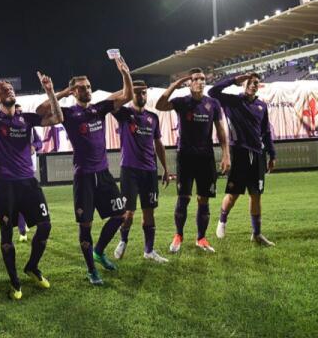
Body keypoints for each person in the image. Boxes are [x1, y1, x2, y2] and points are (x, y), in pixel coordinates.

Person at [0, 73, 62, 300]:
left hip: (29, 183)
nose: (9, 91)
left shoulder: (26, 118)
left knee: (45, 226)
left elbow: (57, 118)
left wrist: (50, 91)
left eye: (11, 89)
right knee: (6, 237)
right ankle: (15, 282)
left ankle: (32, 267)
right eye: (3, 90)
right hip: (6, 186)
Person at [36, 54, 133, 285]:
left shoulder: (100, 108)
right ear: (74, 92)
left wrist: (125, 74)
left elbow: (127, 95)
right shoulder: (68, 114)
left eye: (88, 86)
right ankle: (92, 270)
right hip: (84, 178)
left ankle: (99, 251)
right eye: (81, 88)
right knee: (86, 225)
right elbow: (41, 111)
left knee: (120, 215)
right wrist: (58, 92)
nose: (87, 90)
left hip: (104, 174)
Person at [155, 69, 230, 253]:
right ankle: (178, 236)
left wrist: (226, 154)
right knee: (184, 198)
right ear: (189, 83)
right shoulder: (182, 102)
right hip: (185, 157)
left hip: (206, 158)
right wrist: (174, 85)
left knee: (204, 199)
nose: (200, 82)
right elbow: (160, 105)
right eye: (196, 79)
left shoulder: (213, 103)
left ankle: (201, 238)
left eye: (202, 79)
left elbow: (221, 130)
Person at [208, 72, 276, 246]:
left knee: (256, 195)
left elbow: (266, 132)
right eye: (250, 82)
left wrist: (272, 154)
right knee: (233, 195)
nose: (253, 85)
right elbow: (213, 92)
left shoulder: (261, 106)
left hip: (258, 154)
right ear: (243, 84)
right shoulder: (232, 101)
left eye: (256, 82)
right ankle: (222, 222)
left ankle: (257, 234)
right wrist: (235, 79)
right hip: (239, 153)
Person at [112, 80, 170, 263]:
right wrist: (126, 89)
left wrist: (165, 168)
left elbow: (158, 143)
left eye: (144, 92)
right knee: (128, 213)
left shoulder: (153, 117)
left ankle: (149, 251)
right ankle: (123, 240)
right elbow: (108, 101)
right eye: (137, 92)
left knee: (149, 212)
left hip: (150, 171)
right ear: (132, 94)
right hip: (129, 170)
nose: (141, 95)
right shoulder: (123, 113)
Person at [14, 103, 42, 243]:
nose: (19, 114)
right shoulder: (10, 127)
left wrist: (33, 146)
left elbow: (39, 143)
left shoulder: (30, 127)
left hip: (30, 169)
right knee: (20, 201)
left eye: (21, 111)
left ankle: (26, 223)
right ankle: (22, 230)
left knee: (30, 200)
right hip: (15, 171)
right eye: (17, 112)